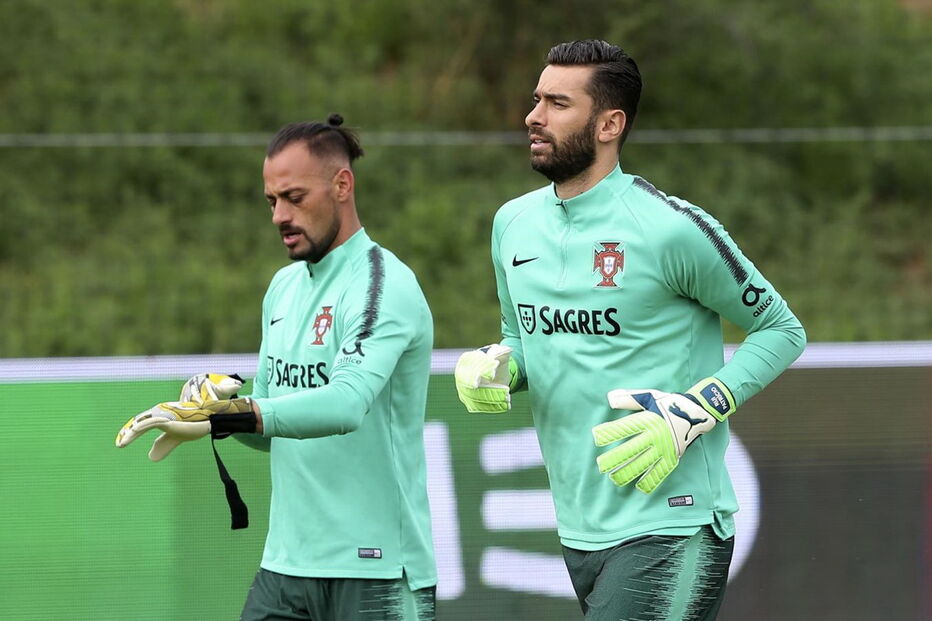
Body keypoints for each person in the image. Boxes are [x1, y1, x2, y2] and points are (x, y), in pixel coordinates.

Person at [454, 40, 806, 620]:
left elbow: (780, 329)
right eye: (537, 99)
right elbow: (522, 339)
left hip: (674, 521)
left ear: (609, 124)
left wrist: (699, 407)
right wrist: (500, 366)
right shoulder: (511, 223)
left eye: (558, 104)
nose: (533, 116)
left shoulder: (672, 228)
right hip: (579, 526)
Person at [116, 115, 437, 621]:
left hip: (376, 569)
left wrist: (234, 414)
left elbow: (346, 404)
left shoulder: (382, 283)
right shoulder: (283, 288)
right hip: (285, 567)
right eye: (271, 201)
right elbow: (270, 423)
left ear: (342, 185)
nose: (279, 216)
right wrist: (213, 415)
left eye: (294, 197)